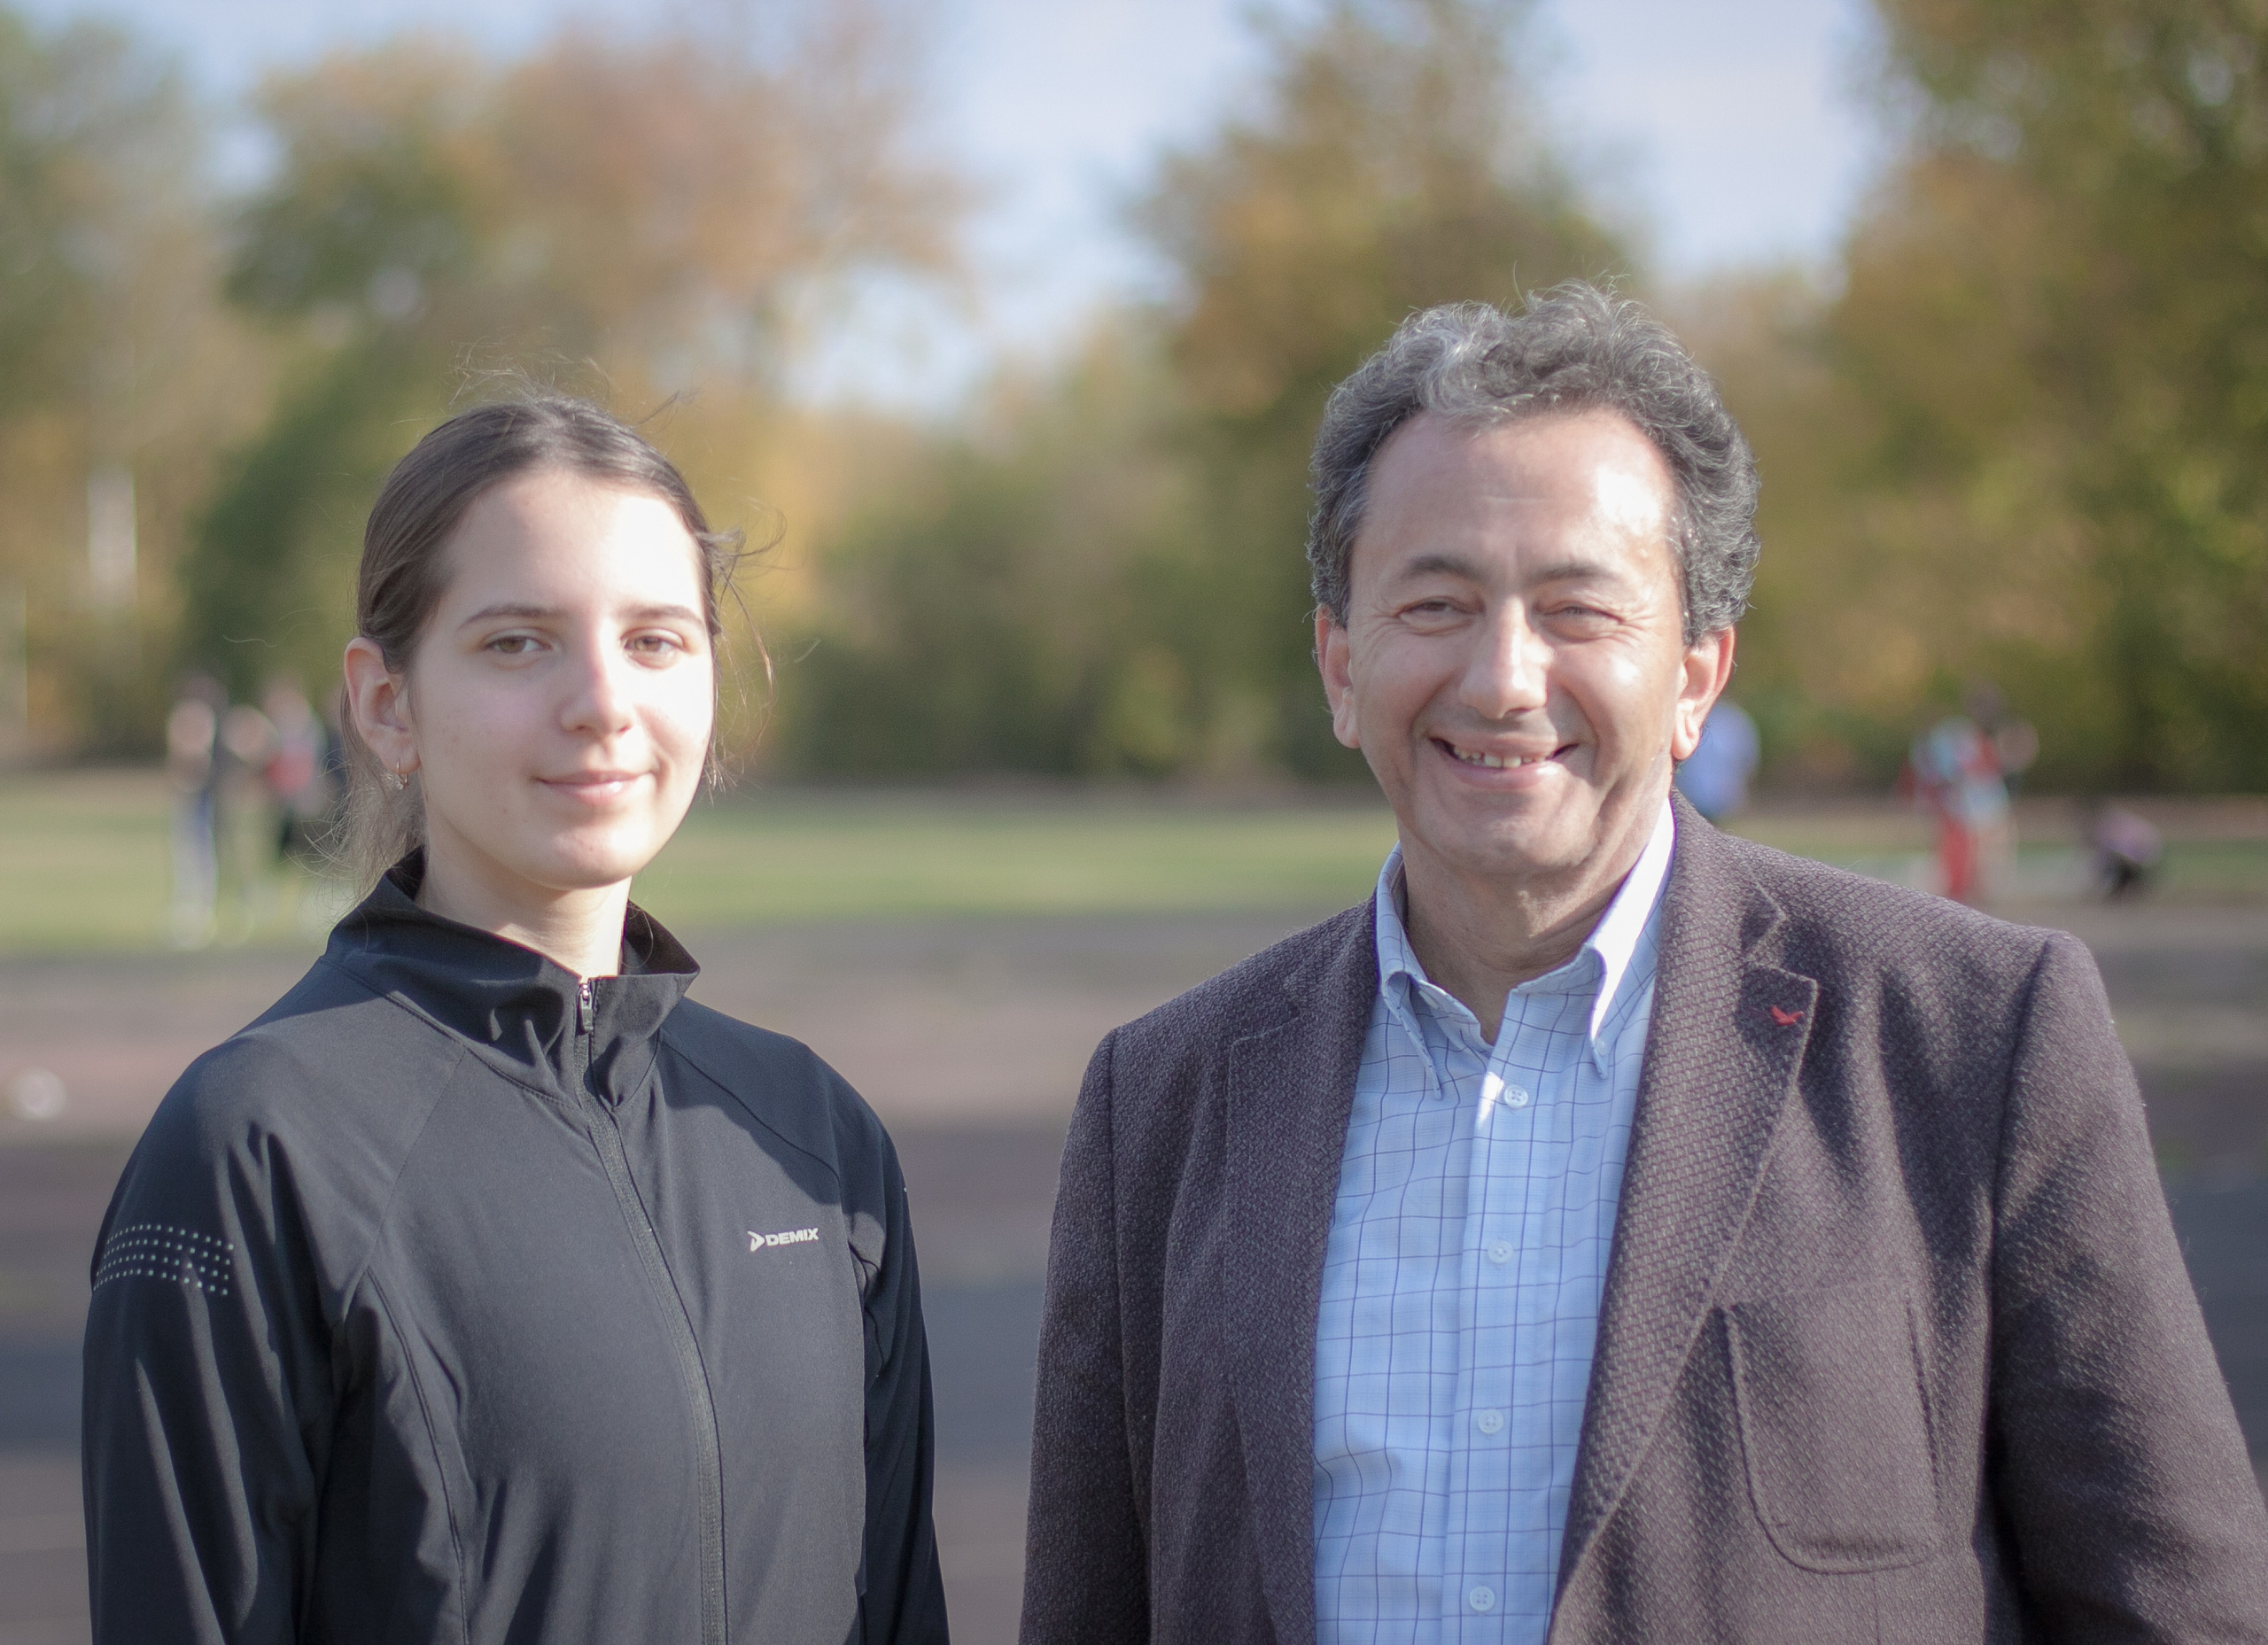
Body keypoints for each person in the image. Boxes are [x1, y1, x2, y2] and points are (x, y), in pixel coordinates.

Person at [1020, 287, 2268, 1642]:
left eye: (1578, 609)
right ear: (1339, 663)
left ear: (1695, 674)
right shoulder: (1162, 1103)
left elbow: (2177, 1607)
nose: (1504, 677)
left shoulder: (1974, 1040)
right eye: (1435, 602)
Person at [83, 398, 947, 1644]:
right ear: (385, 705)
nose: (602, 702)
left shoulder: (812, 1138)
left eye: (655, 640)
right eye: (517, 643)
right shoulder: (255, 1149)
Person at [1670, 696, 1757, 821]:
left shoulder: (1691, 719)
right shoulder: (1735, 720)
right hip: (1721, 798)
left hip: (1695, 797)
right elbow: (1747, 761)